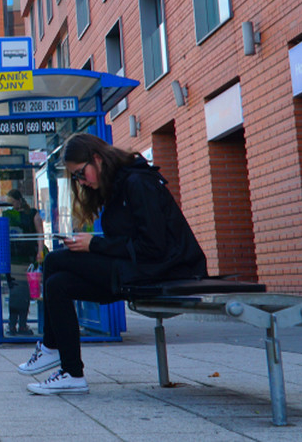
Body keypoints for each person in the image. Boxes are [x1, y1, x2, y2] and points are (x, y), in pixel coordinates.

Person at [18, 133, 207, 395]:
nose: (81, 181)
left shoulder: (137, 182)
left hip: (163, 270)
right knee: (57, 284)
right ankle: (72, 374)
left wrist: (93, 245)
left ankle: (51, 348)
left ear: (97, 159)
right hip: (138, 269)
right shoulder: (117, 187)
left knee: (54, 260)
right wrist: (94, 245)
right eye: (75, 177)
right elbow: (128, 243)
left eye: (81, 173)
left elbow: (153, 247)